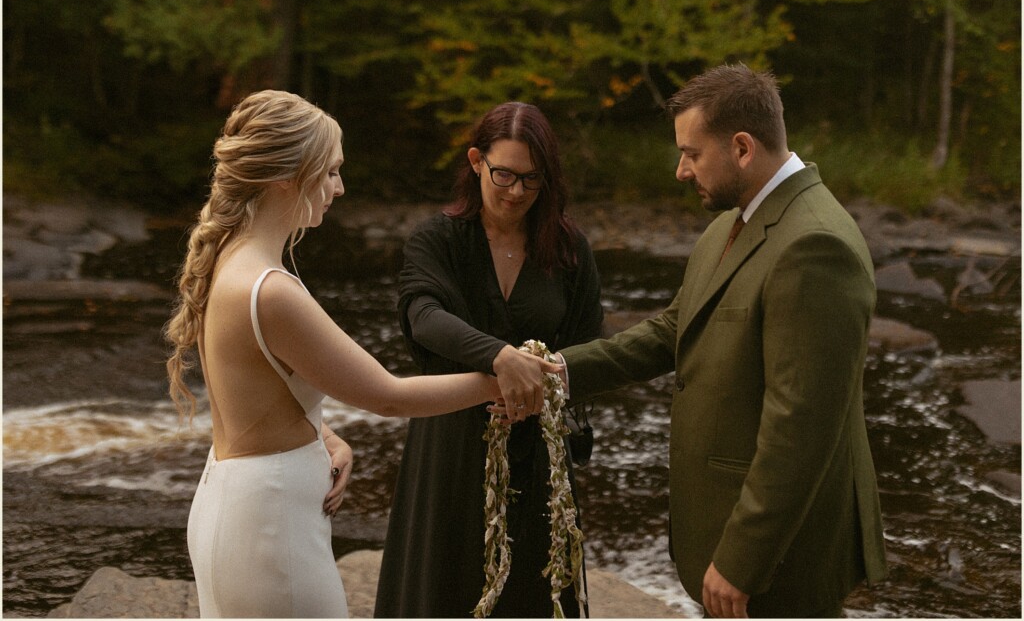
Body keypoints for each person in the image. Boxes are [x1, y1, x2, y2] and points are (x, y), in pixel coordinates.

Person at [163, 90, 523, 618]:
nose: (339, 187)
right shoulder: (271, 289)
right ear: (288, 175)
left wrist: (323, 436)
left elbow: (258, 384)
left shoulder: (233, 259)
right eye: (330, 172)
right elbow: (388, 397)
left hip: (245, 507)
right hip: (270, 528)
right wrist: (504, 377)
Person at [551, 65, 888, 617]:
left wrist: (742, 561)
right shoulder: (731, 223)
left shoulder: (816, 245)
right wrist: (557, 372)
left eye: (691, 152)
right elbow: (672, 331)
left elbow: (799, 428)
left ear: (741, 147)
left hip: (781, 559)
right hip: (728, 532)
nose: (681, 170)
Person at [373, 102, 604, 618]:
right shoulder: (437, 240)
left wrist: (541, 386)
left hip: (538, 454)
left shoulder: (569, 249)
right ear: (476, 161)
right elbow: (423, 316)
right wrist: (499, 358)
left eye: (531, 178)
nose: (516, 191)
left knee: (531, 595)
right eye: (503, 174)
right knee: (442, 592)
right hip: (449, 447)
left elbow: (590, 345)